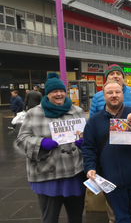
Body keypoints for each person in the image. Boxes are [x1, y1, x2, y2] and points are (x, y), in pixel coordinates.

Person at [81, 80, 131, 223]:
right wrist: (90, 167)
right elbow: (88, 147)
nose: (114, 95)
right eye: (110, 93)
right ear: (104, 96)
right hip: (111, 178)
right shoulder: (94, 121)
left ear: (123, 94)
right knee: (121, 218)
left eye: (117, 92)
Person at [16, 73, 86, 223]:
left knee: (76, 217)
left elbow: (87, 135)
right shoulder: (33, 113)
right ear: (47, 94)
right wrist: (40, 143)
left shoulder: (77, 111)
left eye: (61, 91)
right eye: (54, 92)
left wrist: (84, 141)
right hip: (48, 174)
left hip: (75, 172)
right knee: (49, 218)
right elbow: (21, 140)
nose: (59, 94)